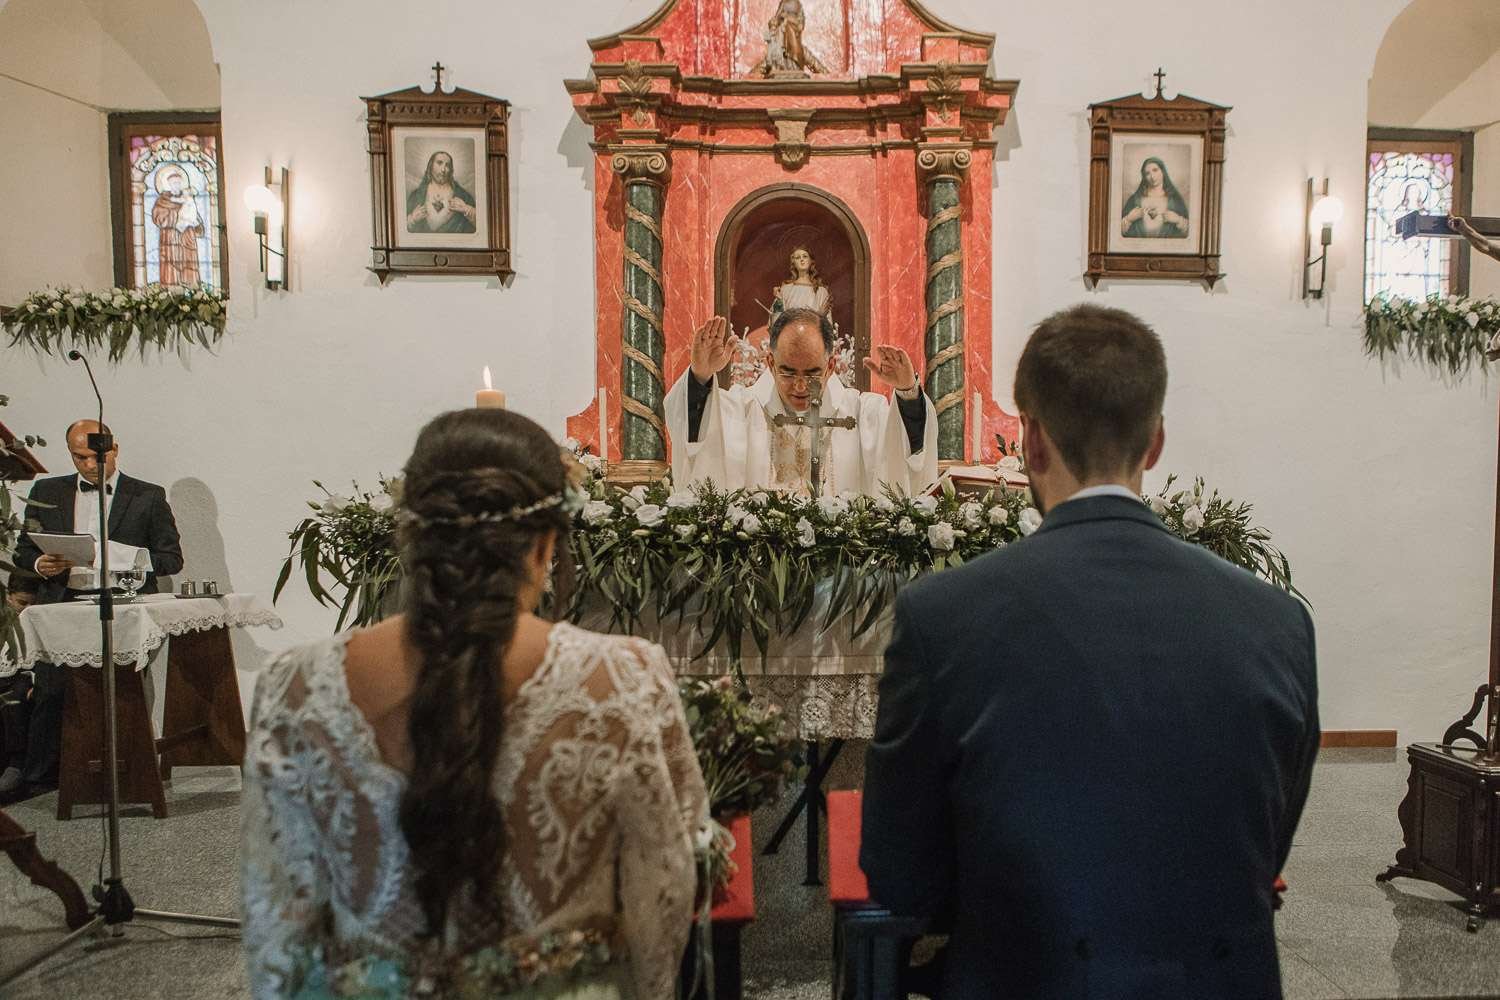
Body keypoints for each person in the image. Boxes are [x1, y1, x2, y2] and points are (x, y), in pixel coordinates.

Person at [860, 304, 1319, 999]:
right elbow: (1265, 844)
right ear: (1155, 442)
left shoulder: (942, 616)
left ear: (1031, 442)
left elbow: (901, 876)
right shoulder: (1278, 622)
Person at [241, 408, 708, 1000]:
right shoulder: (625, 677)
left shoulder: (293, 685)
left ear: (410, 537)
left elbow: (277, 923)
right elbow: (663, 886)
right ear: (545, 544)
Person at [1, 419, 183, 801]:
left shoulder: (147, 496)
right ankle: (42, 781)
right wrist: (40, 564)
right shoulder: (47, 490)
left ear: (113, 449)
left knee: (123, 693)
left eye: (93, 457)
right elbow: (24, 551)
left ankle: (129, 774)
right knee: (52, 690)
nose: (87, 465)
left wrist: (123, 558)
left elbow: (171, 558)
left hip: (123, 604)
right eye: (78, 457)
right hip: (63, 602)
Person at [663, 309, 936, 495]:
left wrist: (908, 392)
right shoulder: (742, 410)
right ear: (770, 363)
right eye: (788, 372)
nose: (801, 386)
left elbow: (903, 449)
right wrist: (700, 377)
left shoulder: (860, 414)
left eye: (813, 373)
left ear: (831, 366)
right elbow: (697, 432)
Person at [151, 165, 204, 286]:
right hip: (170, 239)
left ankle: (191, 289)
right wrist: (177, 215)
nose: (177, 185)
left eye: (179, 183)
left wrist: (195, 223)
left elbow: (195, 219)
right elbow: (158, 218)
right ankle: (170, 290)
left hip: (187, 238)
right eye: (174, 183)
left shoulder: (187, 199)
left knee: (188, 263)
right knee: (171, 264)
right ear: (168, 184)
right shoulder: (162, 200)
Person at [405, 150, 478, 234]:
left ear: (451, 170)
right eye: (439, 163)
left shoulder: (462, 195)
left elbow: (481, 226)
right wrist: (412, 219)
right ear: (431, 166)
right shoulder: (416, 195)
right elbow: (401, 230)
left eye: (447, 165)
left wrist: (467, 209)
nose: (443, 169)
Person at [1121, 156, 1189, 238]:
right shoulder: (1135, 199)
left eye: (1155, 170)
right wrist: (1129, 219)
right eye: (1147, 173)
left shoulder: (1174, 199)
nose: (1152, 176)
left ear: (1163, 171)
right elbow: (1117, 232)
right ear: (1144, 177)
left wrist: (1178, 220)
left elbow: (1190, 233)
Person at [771, 246, 831, 318]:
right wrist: (778, 303)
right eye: (797, 258)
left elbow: (828, 323)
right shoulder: (785, 290)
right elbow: (776, 320)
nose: (801, 259)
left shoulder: (821, 292)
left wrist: (820, 316)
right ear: (794, 263)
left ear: (811, 261)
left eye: (805, 256)